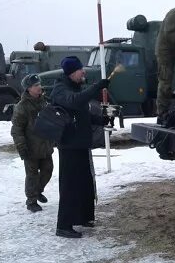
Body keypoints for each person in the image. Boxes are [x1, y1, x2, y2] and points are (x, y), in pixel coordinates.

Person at [50, 56, 110, 238]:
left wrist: (101, 120)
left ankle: (83, 217)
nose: (83, 72)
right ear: (71, 72)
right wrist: (97, 87)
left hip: (81, 143)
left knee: (84, 183)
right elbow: (75, 101)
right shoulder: (60, 89)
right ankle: (64, 225)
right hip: (69, 146)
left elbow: (81, 113)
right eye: (80, 70)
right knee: (70, 185)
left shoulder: (75, 88)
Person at [10, 74, 54, 213]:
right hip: (31, 148)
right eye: (36, 85)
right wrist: (22, 148)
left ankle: (38, 191)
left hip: (45, 146)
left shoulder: (44, 102)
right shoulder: (22, 107)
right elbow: (16, 130)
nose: (39, 87)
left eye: (39, 84)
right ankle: (31, 201)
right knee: (32, 175)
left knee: (48, 170)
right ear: (28, 89)